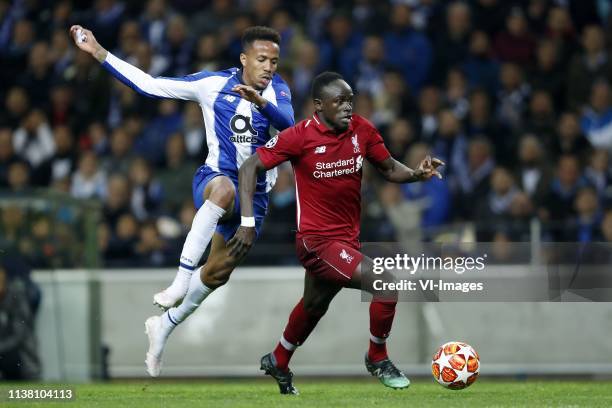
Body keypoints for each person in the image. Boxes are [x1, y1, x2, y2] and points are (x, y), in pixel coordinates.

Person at [69, 24, 294, 377]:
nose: (269, 68)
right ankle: (179, 279)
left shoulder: (278, 91)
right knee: (224, 191)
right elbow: (150, 85)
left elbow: (291, 128)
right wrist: (99, 52)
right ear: (244, 59)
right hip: (215, 180)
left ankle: (165, 326)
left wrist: (261, 103)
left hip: (257, 197)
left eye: (274, 62)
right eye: (262, 59)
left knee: (217, 274)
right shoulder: (212, 84)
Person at [229, 72, 443, 394]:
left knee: (314, 305)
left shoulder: (362, 129)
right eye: (339, 101)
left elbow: (388, 168)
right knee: (383, 282)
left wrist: (416, 174)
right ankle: (377, 357)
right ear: (319, 106)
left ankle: (279, 358)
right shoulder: (299, 136)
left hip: (345, 240)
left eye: (350, 101)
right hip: (316, 242)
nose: (347, 107)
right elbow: (250, 168)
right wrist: (246, 223)